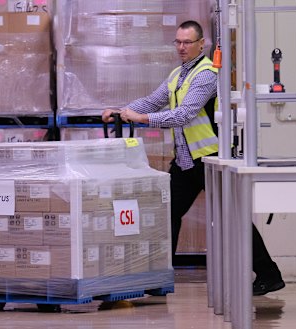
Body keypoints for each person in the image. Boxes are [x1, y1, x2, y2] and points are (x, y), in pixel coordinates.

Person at [101, 20, 285, 296]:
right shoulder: (178, 75)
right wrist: (121, 110)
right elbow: (154, 100)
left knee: (232, 217)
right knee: (168, 215)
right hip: (187, 162)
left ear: (202, 44)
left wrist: (142, 119)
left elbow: (184, 114)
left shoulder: (207, 74)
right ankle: (159, 276)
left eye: (187, 42)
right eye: (178, 42)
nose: (182, 47)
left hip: (210, 160)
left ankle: (269, 273)